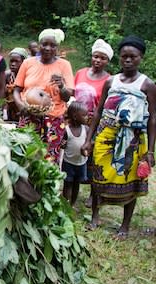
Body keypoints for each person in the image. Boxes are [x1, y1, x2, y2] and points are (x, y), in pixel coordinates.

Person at [81, 36, 156, 239]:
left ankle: (125, 224)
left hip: (133, 138)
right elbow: (97, 112)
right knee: (98, 175)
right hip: (107, 134)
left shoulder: (147, 84)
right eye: (124, 57)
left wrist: (150, 151)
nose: (128, 60)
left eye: (133, 57)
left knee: (131, 179)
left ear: (141, 58)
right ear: (120, 58)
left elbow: (153, 119)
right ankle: (95, 216)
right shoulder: (110, 81)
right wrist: (88, 139)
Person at [12, 28, 74, 163]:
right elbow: (16, 90)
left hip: (53, 120)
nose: (47, 48)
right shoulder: (28, 63)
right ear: (39, 45)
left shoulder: (64, 65)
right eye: (44, 44)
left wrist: (62, 86)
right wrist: (21, 105)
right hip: (29, 117)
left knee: (49, 162)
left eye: (52, 45)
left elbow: (67, 97)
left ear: (57, 47)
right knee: (26, 157)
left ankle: (45, 184)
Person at [74, 39, 113, 208]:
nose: (98, 60)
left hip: (95, 122)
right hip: (76, 121)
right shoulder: (81, 73)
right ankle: (72, 186)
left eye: (102, 58)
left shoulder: (110, 80)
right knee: (75, 153)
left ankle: (93, 194)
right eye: (96, 56)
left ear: (107, 61)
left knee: (94, 158)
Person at [61, 101, 89, 207]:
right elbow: (63, 145)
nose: (87, 117)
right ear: (75, 116)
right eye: (84, 115)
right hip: (68, 163)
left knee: (77, 184)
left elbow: (89, 144)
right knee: (67, 184)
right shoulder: (66, 130)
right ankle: (65, 204)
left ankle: (72, 204)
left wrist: (86, 151)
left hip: (81, 163)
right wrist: (63, 144)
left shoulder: (86, 129)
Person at [4, 47, 28, 121]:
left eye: (17, 61)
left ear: (24, 62)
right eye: (11, 61)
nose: (13, 64)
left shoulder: (28, 76)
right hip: (10, 110)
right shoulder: (7, 75)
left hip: (25, 109)